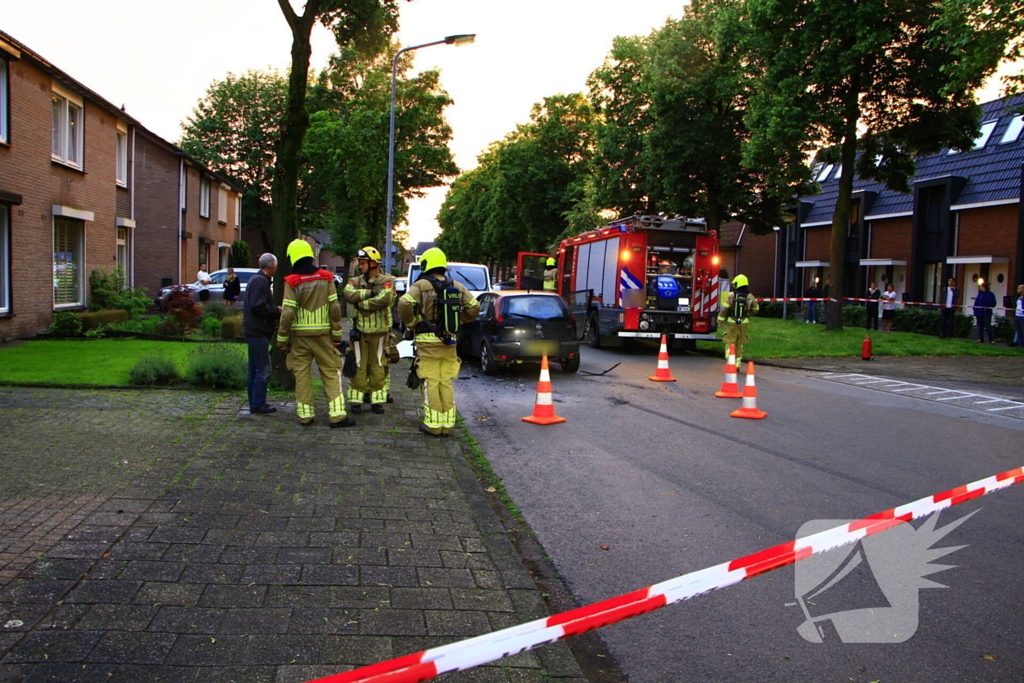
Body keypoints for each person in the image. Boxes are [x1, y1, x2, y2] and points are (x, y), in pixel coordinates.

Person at [398, 247, 480, 436]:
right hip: (449, 341)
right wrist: (460, 321)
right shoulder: (457, 285)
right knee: (446, 382)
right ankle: (447, 424)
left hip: (427, 341)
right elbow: (474, 306)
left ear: (426, 264)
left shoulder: (421, 285)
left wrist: (411, 323)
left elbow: (404, 303)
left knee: (431, 381)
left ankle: (433, 425)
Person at [277, 239, 351, 428]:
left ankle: (305, 416)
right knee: (330, 372)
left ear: (293, 258)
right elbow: (335, 308)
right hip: (323, 337)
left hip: (300, 339)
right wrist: (336, 336)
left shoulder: (291, 281)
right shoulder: (326, 277)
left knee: (302, 375)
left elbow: (287, 313)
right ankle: (337, 415)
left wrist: (282, 340)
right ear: (310, 255)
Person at [343, 246, 395, 415]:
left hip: (380, 333)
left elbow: (385, 299)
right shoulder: (356, 281)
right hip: (359, 333)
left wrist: (361, 304)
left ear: (374, 263)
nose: (360, 265)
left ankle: (377, 401)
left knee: (378, 366)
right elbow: (348, 294)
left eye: (363, 262)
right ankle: (356, 401)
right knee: (359, 365)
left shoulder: (387, 280)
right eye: (359, 262)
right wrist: (369, 294)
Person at [243, 253, 280, 415]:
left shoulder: (255, 280)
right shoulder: (260, 282)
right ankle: (258, 403)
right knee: (262, 370)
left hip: (253, 330)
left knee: (254, 369)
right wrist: (276, 311)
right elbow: (258, 306)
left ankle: (254, 402)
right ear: (272, 266)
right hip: (258, 331)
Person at [717, 273, 759, 367]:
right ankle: (738, 362)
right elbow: (756, 309)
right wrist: (749, 313)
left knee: (730, 341)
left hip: (732, 322)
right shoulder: (750, 296)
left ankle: (729, 357)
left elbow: (725, 309)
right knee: (740, 342)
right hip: (744, 322)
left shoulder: (731, 295)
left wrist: (720, 320)